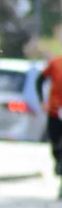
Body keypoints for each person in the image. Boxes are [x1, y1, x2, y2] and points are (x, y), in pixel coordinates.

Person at [35, 55, 62, 197]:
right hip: (55, 111)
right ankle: (58, 161)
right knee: (55, 143)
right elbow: (39, 80)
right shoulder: (55, 63)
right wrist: (42, 101)